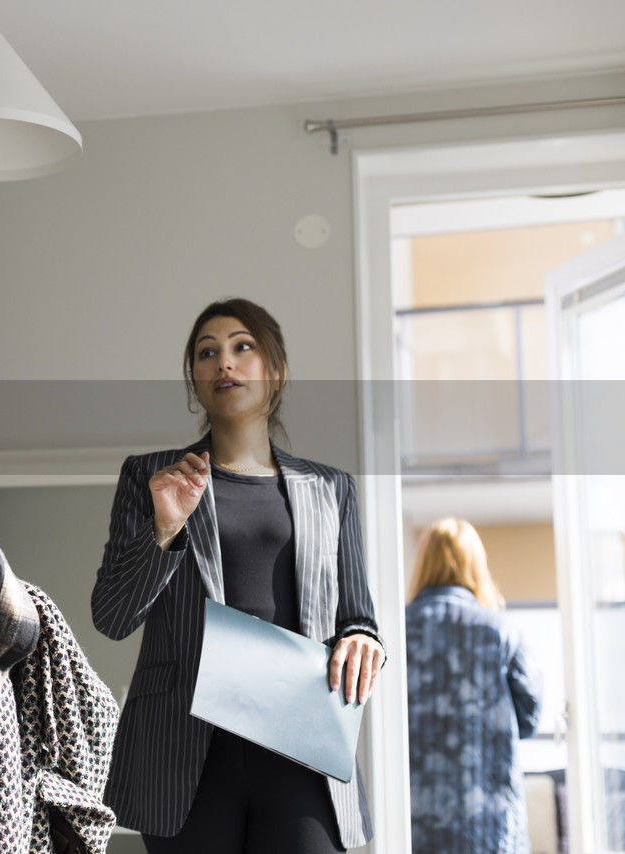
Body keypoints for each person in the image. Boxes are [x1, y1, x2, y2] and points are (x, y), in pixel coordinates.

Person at [91, 298, 386, 853]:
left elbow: (358, 617)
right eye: (208, 353)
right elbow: (111, 615)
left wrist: (364, 640)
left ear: (274, 370)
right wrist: (164, 528)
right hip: (183, 749)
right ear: (195, 382)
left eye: (242, 347)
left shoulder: (332, 489)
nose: (224, 363)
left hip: (303, 742)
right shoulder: (151, 478)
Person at [405, 518, 541, 854]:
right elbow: (530, 715)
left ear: (422, 566)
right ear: (475, 567)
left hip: (412, 822)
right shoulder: (500, 630)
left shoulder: (394, 630)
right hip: (489, 826)